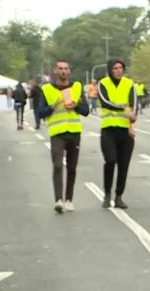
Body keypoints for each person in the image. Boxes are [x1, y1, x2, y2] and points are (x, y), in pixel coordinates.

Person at [36, 60, 90, 214]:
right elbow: (39, 112)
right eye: (60, 69)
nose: (63, 72)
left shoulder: (77, 87)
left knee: (72, 168)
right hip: (57, 133)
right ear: (55, 71)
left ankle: (69, 200)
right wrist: (53, 106)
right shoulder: (46, 89)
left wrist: (76, 106)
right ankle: (58, 200)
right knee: (58, 165)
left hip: (74, 131)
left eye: (66, 69)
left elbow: (86, 110)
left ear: (69, 71)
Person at [98, 59, 138, 210]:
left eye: (121, 68)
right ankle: (107, 193)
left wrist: (133, 119)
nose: (118, 70)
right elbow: (105, 102)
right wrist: (122, 108)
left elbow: (134, 105)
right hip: (108, 130)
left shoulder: (129, 84)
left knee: (124, 164)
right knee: (110, 160)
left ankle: (119, 196)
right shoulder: (103, 84)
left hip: (125, 131)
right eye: (115, 68)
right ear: (110, 70)